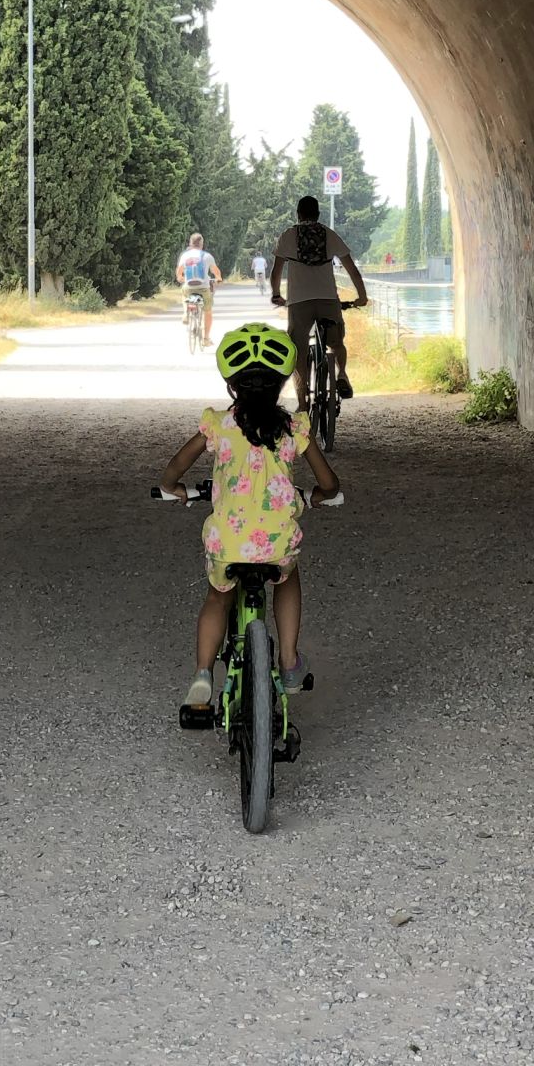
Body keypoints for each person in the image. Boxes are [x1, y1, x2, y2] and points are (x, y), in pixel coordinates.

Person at [157, 322, 341, 708]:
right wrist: (321, 495)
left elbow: (175, 467)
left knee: (217, 598)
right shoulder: (294, 427)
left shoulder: (218, 425)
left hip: (228, 541)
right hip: (276, 541)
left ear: (231, 386)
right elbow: (329, 482)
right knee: (287, 578)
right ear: (282, 384)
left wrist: (173, 487)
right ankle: (289, 662)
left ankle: (203, 674)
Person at [271, 195, 368, 405]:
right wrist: (362, 296)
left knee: (299, 351)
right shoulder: (329, 235)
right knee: (336, 343)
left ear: (298, 214)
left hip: (299, 302)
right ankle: (342, 374)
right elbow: (353, 270)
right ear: (318, 214)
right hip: (327, 299)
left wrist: (276, 294)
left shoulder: (288, 236)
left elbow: (276, 272)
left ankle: (302, 403)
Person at [174, 231, 223, 346]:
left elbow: (179, 271)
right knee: (208, 311)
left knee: (184, 293)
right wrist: (218, 278)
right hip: (203, 288)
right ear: (202, 244)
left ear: (190, 243)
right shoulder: (207, 256)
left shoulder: (185, 256)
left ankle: (185, 313)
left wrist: (180, 278)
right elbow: (215, 271)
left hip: (189, 287)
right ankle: (206, 339)